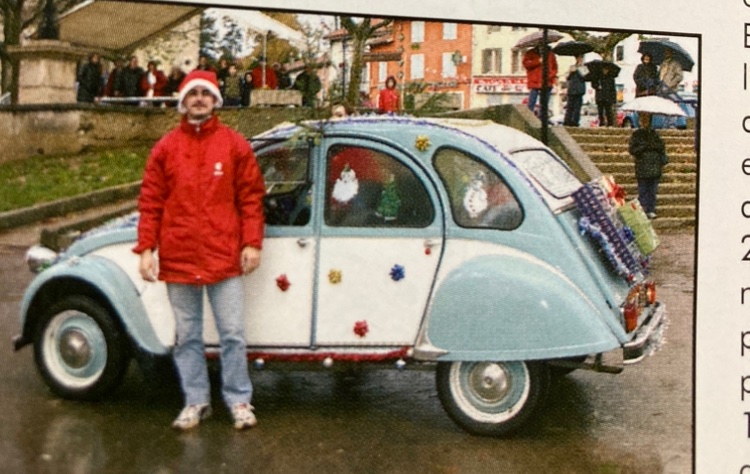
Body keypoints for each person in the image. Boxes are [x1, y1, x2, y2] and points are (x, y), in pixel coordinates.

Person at [133, 70, 266, 431]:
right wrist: (146, 249)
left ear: (215, 100)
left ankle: (239, 400)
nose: (199, 99)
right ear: (183, 101)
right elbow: (151, 202)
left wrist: (252, 242)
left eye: (205, 94)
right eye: (192, 94)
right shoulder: (165, 148)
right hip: (179, 256)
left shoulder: (234, 145)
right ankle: (196, 400)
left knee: (232, 333)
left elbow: (251, 197)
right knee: (187, 335)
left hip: (224, 255)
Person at [629, 112, 667, 219]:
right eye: (642, 119)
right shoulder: (637, 135)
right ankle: (643, 210)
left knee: (652, 191)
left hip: (654, 166)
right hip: (642, 166)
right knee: (643, 191)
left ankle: (651, 209)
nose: (645, 121)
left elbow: (661, 147)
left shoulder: (655, 134)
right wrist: (644, 146)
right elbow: (633, 150)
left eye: (647, 119)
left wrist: (652, 145)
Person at [522, 45, 558, 114]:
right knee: (532, 101)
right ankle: (529, 116)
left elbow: (554, 67)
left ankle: (542, 117)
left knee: (544, 103)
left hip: (547, 81)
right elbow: (526, 64)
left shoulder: (550, 54)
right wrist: (537, 61)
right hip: (535, 81)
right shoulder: (530, 53)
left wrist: (550, 76)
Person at [563, 55, 587, 127]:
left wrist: (578, 70)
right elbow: (567, 78)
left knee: (577, 107)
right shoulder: (572, 67)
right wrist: (571, 72)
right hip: (571, 89)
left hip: (579, 90)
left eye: (581, 58)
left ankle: (575, 121)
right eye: (578, 58)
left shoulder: (584, 68)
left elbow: (585, 78)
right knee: (569, 107)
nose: (579, 59)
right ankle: (567, 121)